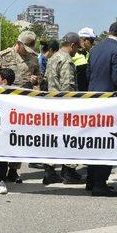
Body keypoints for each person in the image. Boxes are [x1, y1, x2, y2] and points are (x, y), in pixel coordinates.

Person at [0, 30, 40, 184]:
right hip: (5, 104)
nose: (28, 52)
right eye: (26, 47)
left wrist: (36, 79)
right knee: (3, 136)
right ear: (19, 43)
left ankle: (13, 169)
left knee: (17, 137)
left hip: (23, 104)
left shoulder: (33, 57)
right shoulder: (4, 55)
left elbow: (39, 77)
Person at [86, 21, 117, 197]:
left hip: (92, 100)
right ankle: (99, 184)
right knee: (106, 143)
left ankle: (91, 180)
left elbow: (89, 74)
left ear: (109, 31)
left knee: (94, 142)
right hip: (109, 103)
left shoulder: (95, 49)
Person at [43, 32, 83, 185]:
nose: (76, 51)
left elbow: (46, 80)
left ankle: (49, 171)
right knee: (69, 139)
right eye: (77, 47)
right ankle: (69, 172)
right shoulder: (66, 60)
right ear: (72, 45)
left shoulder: (53, 58)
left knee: (52, 139)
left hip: (51, 104)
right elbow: (68, 87)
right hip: (64, 106)